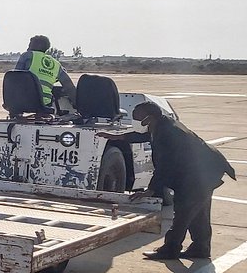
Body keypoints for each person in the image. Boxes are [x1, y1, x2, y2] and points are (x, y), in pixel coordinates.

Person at [99, 102, 236, 260]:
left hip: (201, 173)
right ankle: (200, 248)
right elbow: (145, 136)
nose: (134, 121)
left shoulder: (168, 133)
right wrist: (118, 137)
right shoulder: (161, 124)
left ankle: (170, 249)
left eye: (137, 118)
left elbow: (164, 166)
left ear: (148, 119)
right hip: (204, 171)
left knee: (183, 211)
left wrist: (151, 189)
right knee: (198, 211)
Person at [14, 34, 75, 109]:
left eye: (29, 46)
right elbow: (69, 87)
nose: (27, 49)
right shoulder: (56, 64)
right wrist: (77, 104)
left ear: (37, 46)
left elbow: (15, 77)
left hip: (24, 100)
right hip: (45, 103)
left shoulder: (27, 56)